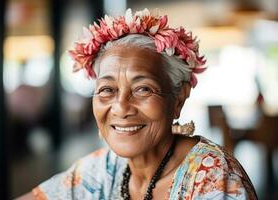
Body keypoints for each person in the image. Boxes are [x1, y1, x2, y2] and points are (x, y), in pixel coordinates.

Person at [17, 8, 257, 200]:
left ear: (179, 98)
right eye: (107, 90)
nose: (121, 107)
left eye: (143, 89)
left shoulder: (213, 178)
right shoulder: (103, 168)